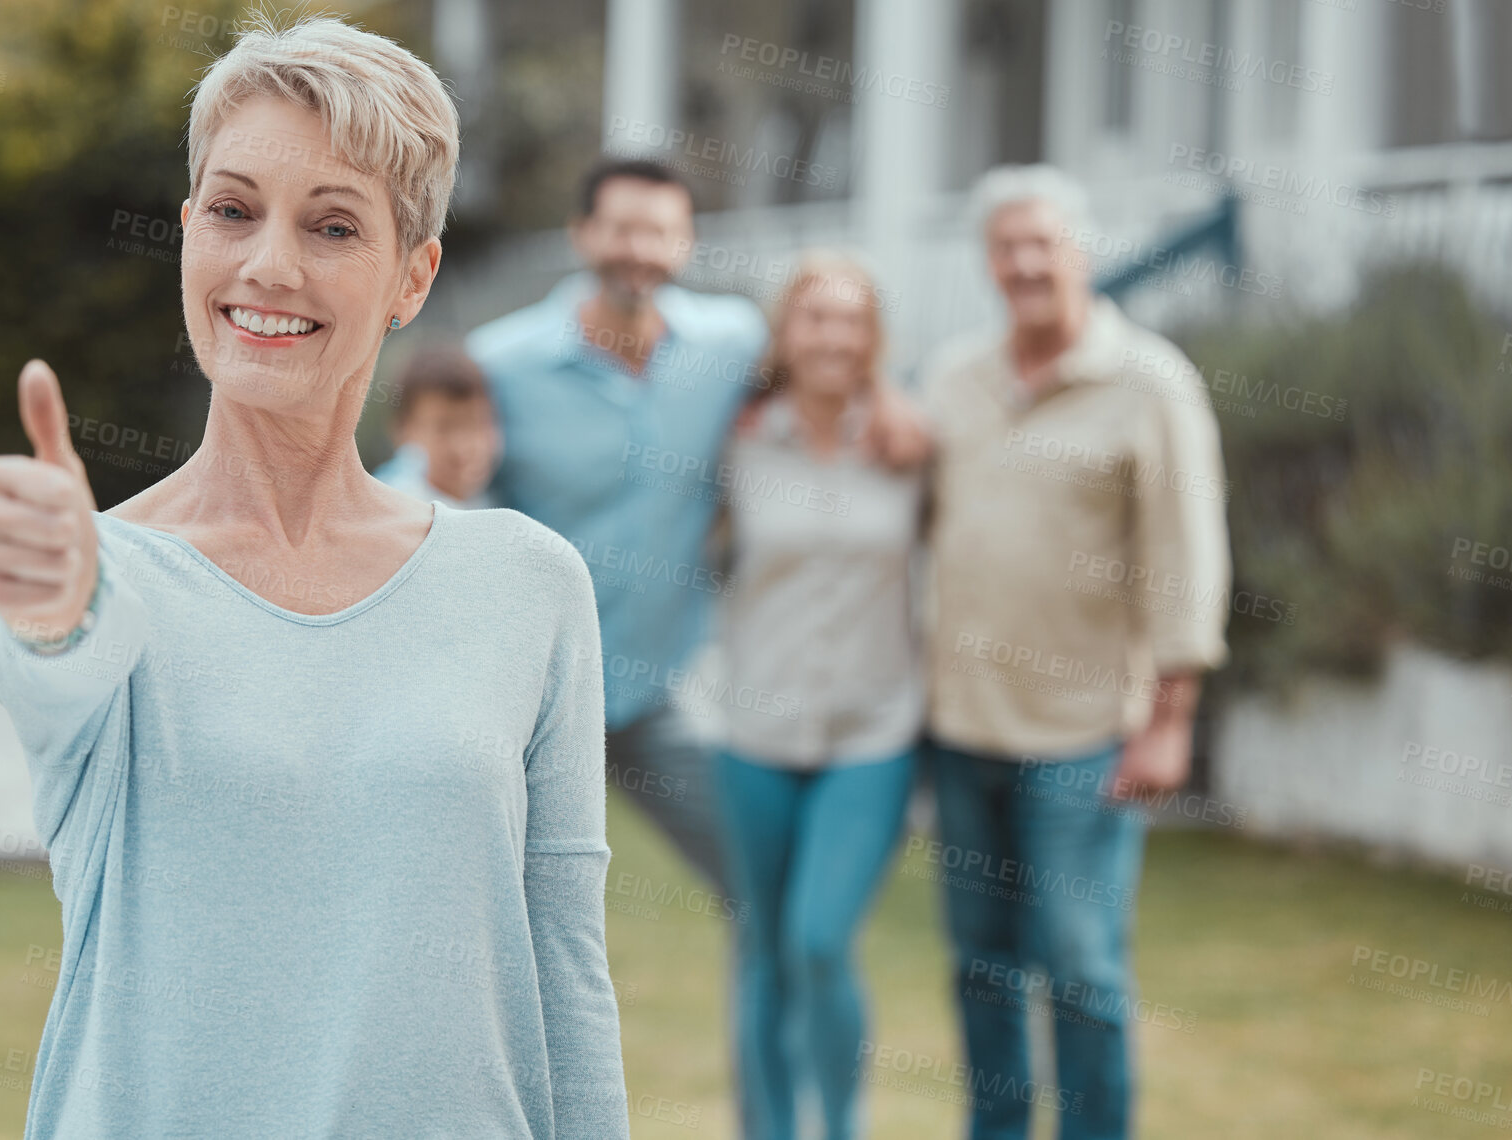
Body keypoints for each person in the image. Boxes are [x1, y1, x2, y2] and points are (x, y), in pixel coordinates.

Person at [0, 14, 627, 1138]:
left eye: (332, 225)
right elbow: (51, 653)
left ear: (412, 277)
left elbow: (566, 965)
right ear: (186, 233)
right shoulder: (100, 573)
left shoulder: (528, 584)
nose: (268, 265)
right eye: (232, 210)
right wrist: (51, 604)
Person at [466, 159, 928, 892]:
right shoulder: (499, 364)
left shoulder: (731, 344)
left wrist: (885, 401)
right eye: (621, 229)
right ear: (581, 235)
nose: (639, 251)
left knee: (760, 886)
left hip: (665, 693)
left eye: (660, 233)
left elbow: (818, 370)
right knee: (504, 905)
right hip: (532, 698)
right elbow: (442, 497)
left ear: (685, 246)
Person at [915, 164, 1231, 1140]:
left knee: (1082, 969)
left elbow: (1186, 559)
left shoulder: (1150, 384)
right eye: (1004, 247)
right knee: (981, 967)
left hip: (1086, 735)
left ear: (1081, 253)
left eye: (1040, 243)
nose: (1022, 264)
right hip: (962, 724)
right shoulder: (952, 377)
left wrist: (1169, 722)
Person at [713, 252, 926, 1140]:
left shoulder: (911, 444)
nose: (833, 335)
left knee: (819, 942)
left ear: (872, 337)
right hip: (752, 729)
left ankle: (838, 1127)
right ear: (784, 334)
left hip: (871, 733)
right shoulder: (738, 439)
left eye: (850, 319)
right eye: (814, 317)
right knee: (761, 949)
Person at [373, 344, 501, 507]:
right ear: (403, 430)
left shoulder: (494, 496)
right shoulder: (391, 506)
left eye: (477, 423)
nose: (462, 447)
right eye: (443, 428)